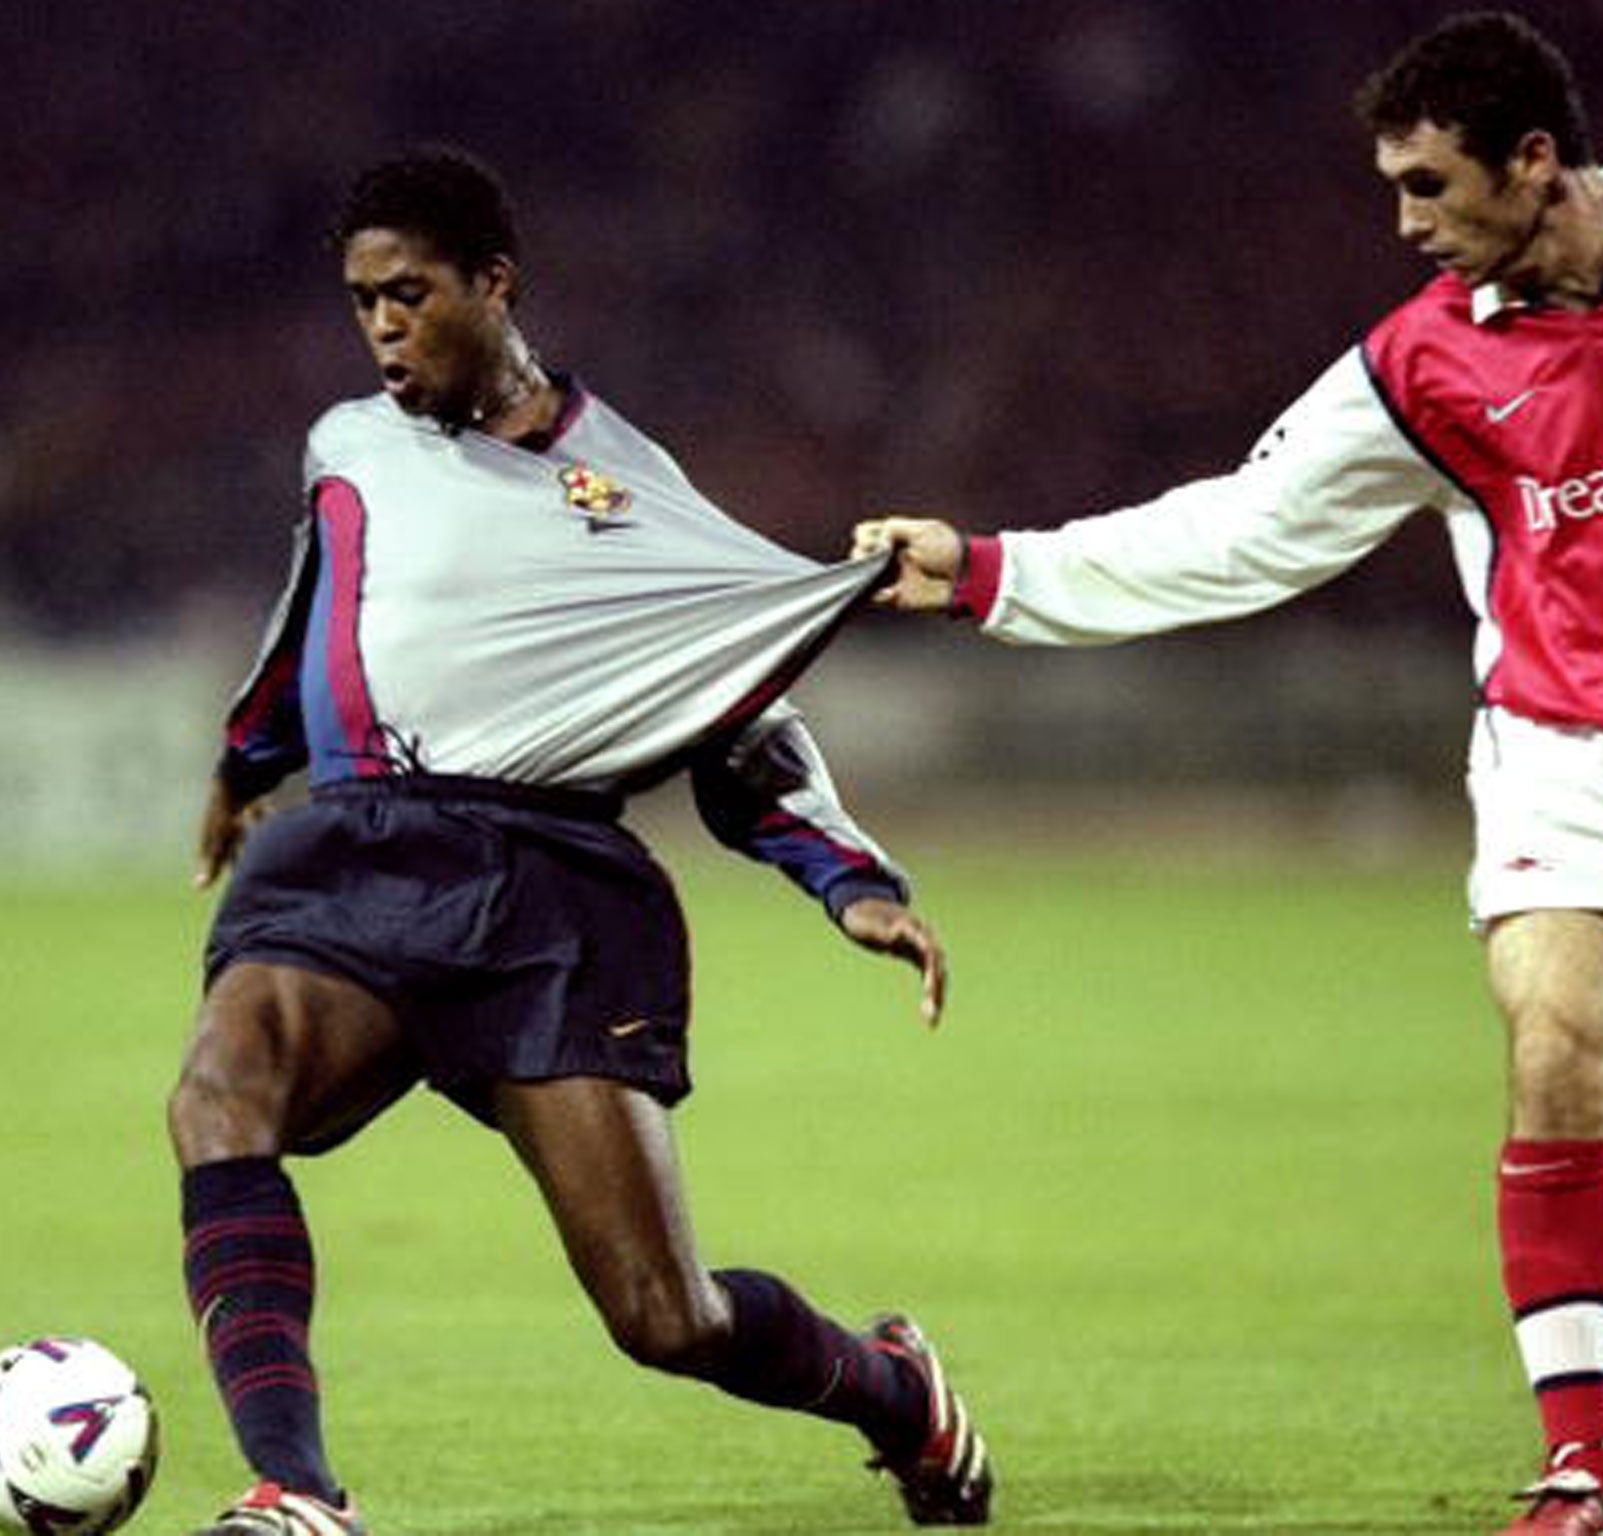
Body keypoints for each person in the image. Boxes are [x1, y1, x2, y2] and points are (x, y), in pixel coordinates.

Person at [854, 11, 1603, 1536]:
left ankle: (1600, 1331)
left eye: (1429, 185)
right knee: (1557, 1046)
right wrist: (984, 572)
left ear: (1537, 160)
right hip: (1579, 768)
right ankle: (1579, 1472)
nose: (1407, 224)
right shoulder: (1426, 360)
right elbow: (1237, 529)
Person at [170, 146, 993, 1536]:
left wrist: (846, 880)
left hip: (548, 894)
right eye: (362, 300)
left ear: (494, 286)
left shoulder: (630, 489)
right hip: (362, 854)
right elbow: (315, 613)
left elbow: (739, 692)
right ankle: (296, 1492)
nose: (380, 328)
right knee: (218, 1095)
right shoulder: (348, 446)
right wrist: (248, 763)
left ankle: (897, 1395)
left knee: (665, 1319)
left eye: (409, 294)